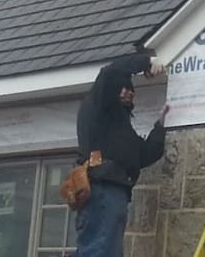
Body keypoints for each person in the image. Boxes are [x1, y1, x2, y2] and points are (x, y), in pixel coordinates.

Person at [74, 52, 169, 257]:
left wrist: (161, 126)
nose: (129, 93)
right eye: (124, 88)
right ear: (115, 89)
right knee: (100, 251)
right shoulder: (99, 105)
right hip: (102, 188)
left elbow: (143, 154)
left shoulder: (118, 127)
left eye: (132, 91)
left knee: (105, 250)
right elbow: (110, 73)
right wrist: (146, 62)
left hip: (113, 191)